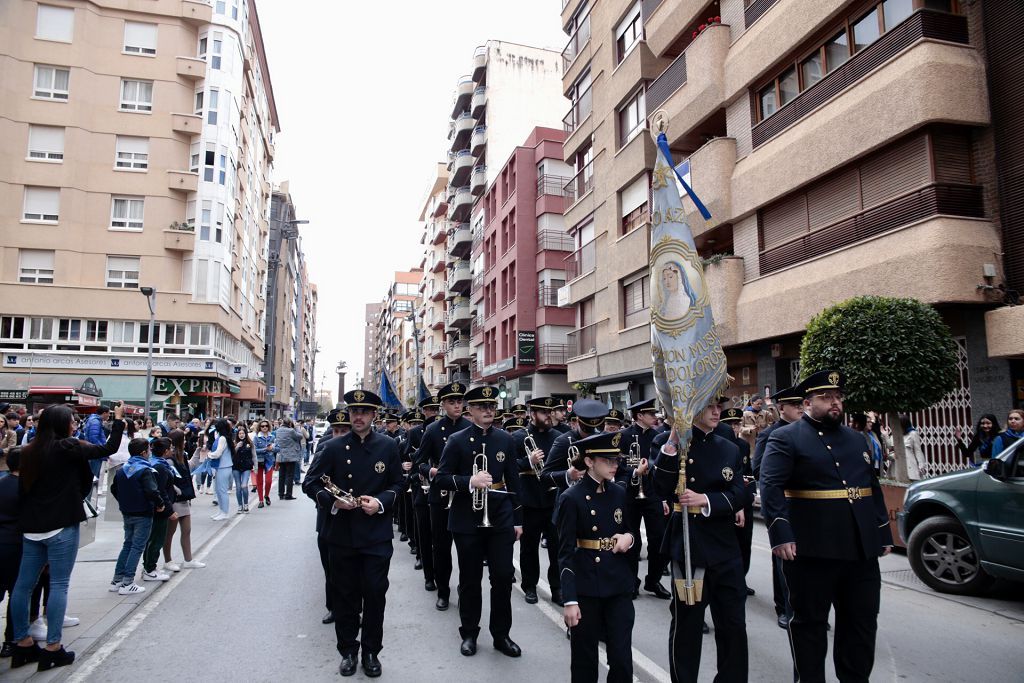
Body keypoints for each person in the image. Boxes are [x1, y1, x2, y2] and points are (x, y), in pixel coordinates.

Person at [760, 370, 893, 683]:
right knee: (809, 627)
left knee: (861, 626)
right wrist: (781, 533)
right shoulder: (786, 437)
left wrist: (882, 531)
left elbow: (870, 487)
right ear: (807, 402)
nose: (835, 403)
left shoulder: (856, 438)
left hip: (859, 552)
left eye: (838, 397)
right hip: (811, 551)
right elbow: (771, 486)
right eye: (826, 397)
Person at [10, 403, 125, 671]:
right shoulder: (69, 447)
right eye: (71, 421)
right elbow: (107, 450)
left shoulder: (27, 451)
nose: (75, 425)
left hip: (31, 527)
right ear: (63, 425)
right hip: (62, 523)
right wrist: (118, 421)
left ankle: (21, 644)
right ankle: (53, 647)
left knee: (23, 586)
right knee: (59, 584)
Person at [303, 390, 404, 678]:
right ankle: (348, 650)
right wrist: (331, 501)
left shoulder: (387, 446)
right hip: (341, 534)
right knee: (345, 595)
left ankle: (371, 651)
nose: (358, 416)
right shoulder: (334, 448)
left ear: (374, 415)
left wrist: (381, 502)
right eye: (353, 411)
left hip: (375, 534)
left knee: (375, 594)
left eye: (364, 411)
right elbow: (310, 484)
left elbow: (398, 483)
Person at [652, 401, 749, 683]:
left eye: (719, 406)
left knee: (733, 624)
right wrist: (672, 441)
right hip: (690, 546)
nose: (716, 412)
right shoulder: (673, 443)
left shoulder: (730, 447)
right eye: (709, 407)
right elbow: (660, 487)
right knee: (688, 625)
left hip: (725, 546)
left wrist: (707, 500)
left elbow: (741, 492)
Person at [436, 385, 523, 659]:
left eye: (492, 407)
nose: (488, 411)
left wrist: (518, 519)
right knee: (470, 579)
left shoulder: (506, 440)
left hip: (499, 516)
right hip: (466, 518)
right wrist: (469, 482)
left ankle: (501, 634)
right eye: (482, 407)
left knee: (502, 578)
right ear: (470, 410)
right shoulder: (457, 440)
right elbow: (441, 478)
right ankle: (470, 633)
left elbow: (514, 481)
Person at [556, 431, 635, 683]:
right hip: (587, 586)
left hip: (618, 585)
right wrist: (569, 599)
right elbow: (565, 553)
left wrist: (629, 539)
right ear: (589, 461)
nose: (615, 466)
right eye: (607, 460)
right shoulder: (572, 498)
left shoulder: (620, 493)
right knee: (584, 661)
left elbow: (632, 531)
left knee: (622, 660)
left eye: (616, 461)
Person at [752, 385, 804, 629]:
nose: (800, 409)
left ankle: (805, 606)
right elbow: (759, 470)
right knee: (784, 561)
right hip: (783, 504)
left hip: (807, 506)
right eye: (795, 406)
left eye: (802, 404)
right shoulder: (771, 434)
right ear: (782, 408)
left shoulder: (809, 432)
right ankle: (784, 607)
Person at [414, 382, 470, 611]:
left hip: (466, 496)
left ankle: (465, 590)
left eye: (459, 401)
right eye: (452, 402)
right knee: (441, 546)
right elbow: (418, 462)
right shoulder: (433, 430)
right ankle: (444, 590)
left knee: (467, 549)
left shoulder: (470, 427)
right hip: (441, 495)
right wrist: (431, 471)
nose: (457, 405)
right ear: (443, 405)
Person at [617, 398, 671, 600]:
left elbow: (664, 468)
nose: (655, 417)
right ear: (640, 415)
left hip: (652, 493)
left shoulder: (658, 437)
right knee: (633, 541)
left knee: (659, 538)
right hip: (630, 494)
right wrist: (634, 471)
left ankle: (653, 580)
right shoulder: (623, 437)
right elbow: (617, 465)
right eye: (651, 414)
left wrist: (664, 498)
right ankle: (632, 581)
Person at [512, 396, 563, 606]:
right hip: (530, 499)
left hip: (554, 500)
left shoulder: (560, 437)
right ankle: (530, 586)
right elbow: (510, 467)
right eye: (544, 413)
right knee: (529, 547)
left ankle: (557, 588)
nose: (549, 417)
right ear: (532, 414)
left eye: (550, 412)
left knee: (557, 547)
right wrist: (529, 461)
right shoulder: (517, 437)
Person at [109, 438, 165, 595]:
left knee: (127, 544)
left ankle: (117, 580)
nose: (150, 453)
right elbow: (152, 491)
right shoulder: (145, 470)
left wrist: (124, 500)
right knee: (137, 546)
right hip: (143, 512)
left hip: (127, 511)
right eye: (148, 450)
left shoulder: (122, 469)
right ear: (143, 452)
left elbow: (114, 489)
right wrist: (160, 504)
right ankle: (128, 582)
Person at [310, 409, 349, 625]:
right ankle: (333, 606)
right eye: (336, 430)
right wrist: (329, 499)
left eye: (345, 430)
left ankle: (354, 608)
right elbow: (311, 482)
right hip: (329, 517)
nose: (340, 435)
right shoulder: (325, 447)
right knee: (331, 568)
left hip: (356, 518)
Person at [719, 406, 755, 596]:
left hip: (743, 500)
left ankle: (741, 577)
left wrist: (751, 488)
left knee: (744, 542)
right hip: (723, 502)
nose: (734, 427)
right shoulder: (715, 445)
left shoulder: (742, 445)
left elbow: (747, 471)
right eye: (729, 424)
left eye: (736, 423)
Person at [542, 400, 609, 495]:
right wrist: (568, 475)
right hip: (573, 500)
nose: (592, 436)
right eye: (588, 431)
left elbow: (621, 470)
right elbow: (545, 476)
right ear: (578, 421)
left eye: (596, 431)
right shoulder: (564, 441)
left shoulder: (607, 438)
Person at [406, 396, 437, 590]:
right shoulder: (416, 432)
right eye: (430, 409)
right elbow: (412, 458)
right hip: (422, 486)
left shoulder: (450, 430)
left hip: (442, 489)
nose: (433, 412)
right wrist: (415, 471)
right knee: (424, 532)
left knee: (441, 538)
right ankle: (426, 568)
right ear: (424, 411)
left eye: (436, 409)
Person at [162, 429, 204, 572]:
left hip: (184, 497)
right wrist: (174, 488)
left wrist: (198, 450)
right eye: (184, 439)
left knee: (186, 530)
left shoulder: (182, 456)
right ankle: (168, 560)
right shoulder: (169, 458)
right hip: (174, 499)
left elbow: (189, 468)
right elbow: (169, 477)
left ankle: (188, 559)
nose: (186, 441)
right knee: (170, 532)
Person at [141, 438, 177, 582]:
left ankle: (149, 567)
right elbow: (161, 491)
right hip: (160, 508)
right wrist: (168, 510)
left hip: (157, 507)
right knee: (156, 539)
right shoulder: (160, 467)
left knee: (153, 538)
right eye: (171, 448)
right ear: (166, 451)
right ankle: (150, 569)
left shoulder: (156, 463)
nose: (173, 450)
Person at [1, 448, 23, 658]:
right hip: (16, 544)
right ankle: (11, 640)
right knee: (16, 593)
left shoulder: (2, 483)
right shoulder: (27, 488)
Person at [209, 419, 236, 520]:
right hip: (222, 466)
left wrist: (209, 455)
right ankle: (221, 511)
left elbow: (218, 453)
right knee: (219, 490)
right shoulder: (222, 437)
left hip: (223, 467)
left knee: (222, 491)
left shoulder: (222, 438)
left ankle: (224, 512)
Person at [274, 418, 305, 500]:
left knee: (281, 475)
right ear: (290, 424)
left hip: (281, 455)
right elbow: (300, 436)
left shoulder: (278, 430)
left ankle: (281, 494)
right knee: (290, 475)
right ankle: (288, 494)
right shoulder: (291, 431)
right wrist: (297, 427)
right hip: (290, 456)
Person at [83, 406, 110, 481]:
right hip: (95, 453)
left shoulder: (94, 420)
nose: (109, 415)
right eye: (109, 413)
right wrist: (102, 450)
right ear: (104, 413)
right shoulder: (95, 421)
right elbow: (94, 438)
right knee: (94, 477)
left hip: (94, 452)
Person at [254, 420, 277, 507]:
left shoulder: (272, 437)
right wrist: (265, 449)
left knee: (268, 481)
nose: (264, 427)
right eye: (262, 426)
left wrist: (272, 449)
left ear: (269, 427)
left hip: (269, 461)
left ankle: (266, 495)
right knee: (259, 482)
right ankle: (260, 500)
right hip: (259, 461)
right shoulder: (256, 437)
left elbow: (278, 448)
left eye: (266, 426)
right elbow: (254, 450)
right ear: (259, 427)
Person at [232, 424, 254, 513]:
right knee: (238, 487)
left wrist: (255, 466)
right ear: (237, 435)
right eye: (239, 433)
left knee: (244, 485)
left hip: (246, 466)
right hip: (236, 466)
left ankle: (246, 504)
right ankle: (240, 505)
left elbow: (254, 455)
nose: (241, 435)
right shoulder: (234, 443)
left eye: (243, 433)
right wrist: (237, 447)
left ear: (246, 434)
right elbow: (231, 455)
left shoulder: (250, 443)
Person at [900, 415, 927, 481]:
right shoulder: (896, 434)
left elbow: (918, 450)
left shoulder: (913, 433)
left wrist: (921, 466)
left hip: (910, 467)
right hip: (898, 467)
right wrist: (885, 436)